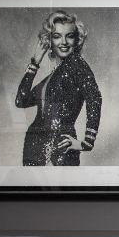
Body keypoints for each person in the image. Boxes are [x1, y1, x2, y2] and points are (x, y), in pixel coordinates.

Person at [15, 10, 102, 166]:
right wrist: (35, 61)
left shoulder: (77, 64)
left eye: (69, 36)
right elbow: (21, 100)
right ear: (49, 41)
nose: (63, 42)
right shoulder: (54, 75)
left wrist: (87, 142)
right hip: (34, 147)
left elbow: (94, 97)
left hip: (59, 149)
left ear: (77, 40)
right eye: (57, 36)